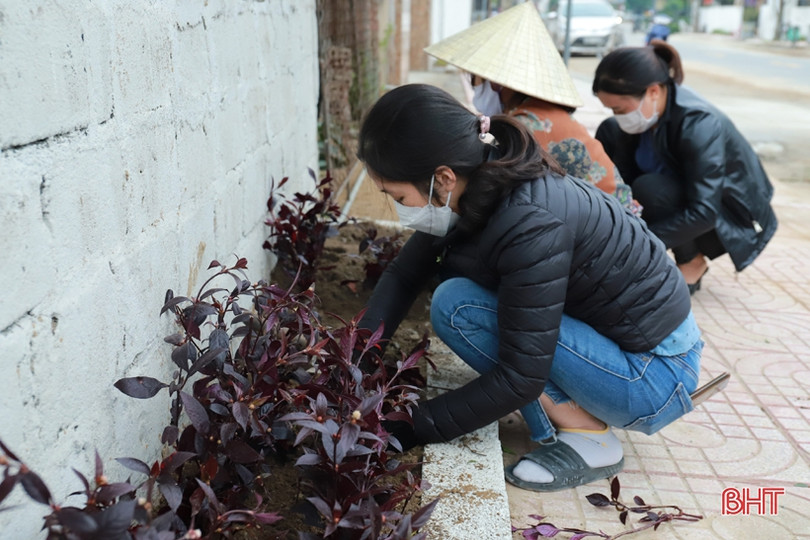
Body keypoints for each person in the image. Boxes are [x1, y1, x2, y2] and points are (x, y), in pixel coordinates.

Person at [357, 83, 703, 492]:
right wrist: (354, 362)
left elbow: (521, 377)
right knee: (457, 300)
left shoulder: (530, 221)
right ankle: (574, 415)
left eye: (396, 195)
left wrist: (404, 428)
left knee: (460, 308)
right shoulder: (480, 179)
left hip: (655, 375)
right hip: (629, 344)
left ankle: (590, 440)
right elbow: (404, 274)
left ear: (442, 177)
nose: (399, 207)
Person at [592, 41, 777, 293]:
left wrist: (637, 244)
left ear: (653, 91)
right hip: (682, 195)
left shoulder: (698, 123)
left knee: (650, 188)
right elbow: (622, 185)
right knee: (609, 132)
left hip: (727, 212)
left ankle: (692, 261)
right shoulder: (640, 119)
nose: (618, 115)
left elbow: (704, 211)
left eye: (619, 108)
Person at [424, 1, 639, 214]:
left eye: (475, 79)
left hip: (613, 222)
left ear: (496, 81)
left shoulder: (528, 123)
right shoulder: (532, 112)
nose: (474, 87)